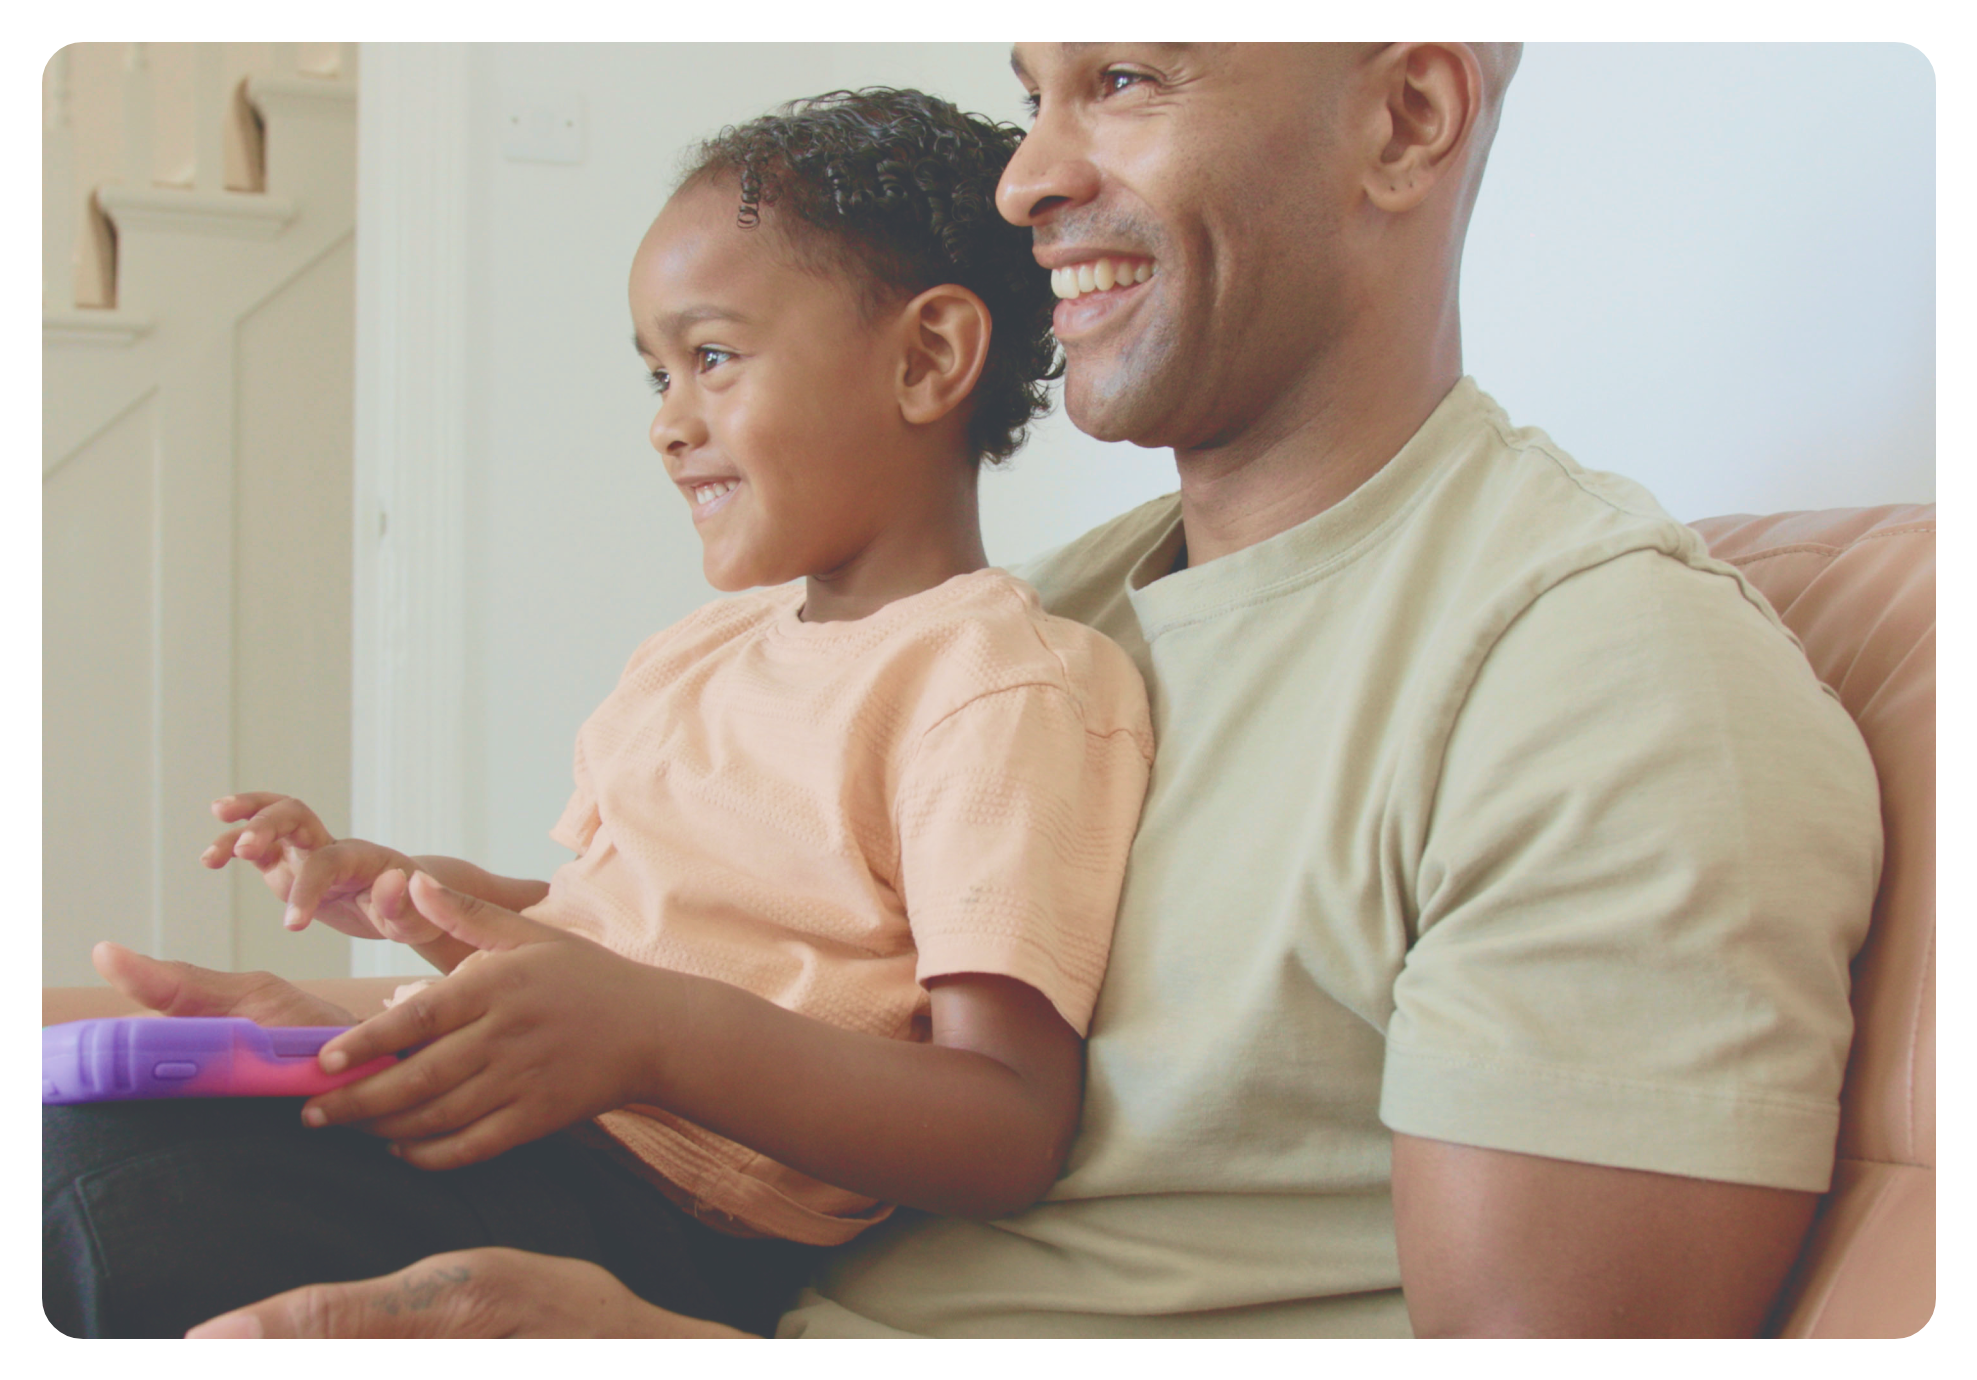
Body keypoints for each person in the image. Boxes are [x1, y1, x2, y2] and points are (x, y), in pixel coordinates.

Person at [166, 42, 1880, 1339]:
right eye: (1032, 91)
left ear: (1406, 119)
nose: (1025, 180)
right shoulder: (1018, 624)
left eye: (1123, 80)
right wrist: (357, 1013)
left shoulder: (1599, 679)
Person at [43, 88, 1154, 1338]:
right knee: (82, 1123)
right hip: (546, 1135)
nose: (669, 424)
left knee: (101, 1201)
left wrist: (656, 1039)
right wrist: (420, 897)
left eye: (714, 358)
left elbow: (1002, 1121)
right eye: (658, 373)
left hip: (667, 1207)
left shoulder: (993, 686)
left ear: (927, 358)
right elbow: (607, 923)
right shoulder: (703, 653)